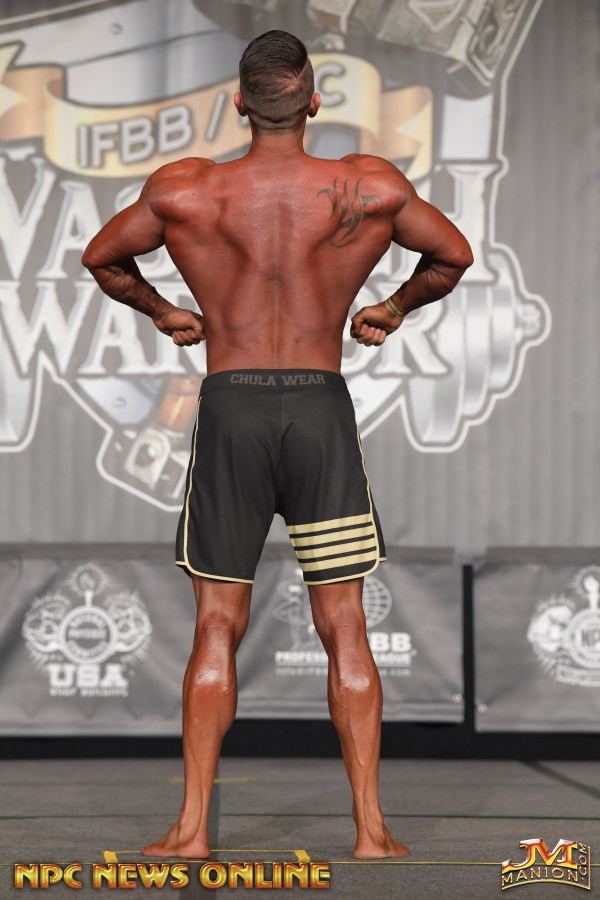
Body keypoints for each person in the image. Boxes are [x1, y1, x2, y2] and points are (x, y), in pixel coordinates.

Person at [82, 29, 473, 860]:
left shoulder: (186, 189)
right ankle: (371, 832)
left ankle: (192, 831)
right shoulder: (369, 185)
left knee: (217, 624)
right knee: (345, 624)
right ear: (314, 102)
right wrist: (392, 308)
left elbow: (102, 258)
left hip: (233, 407)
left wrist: (166, 312)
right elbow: (453, 255)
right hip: (318, 409)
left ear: (238, 102)